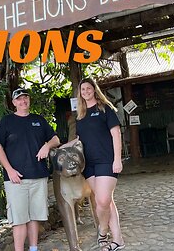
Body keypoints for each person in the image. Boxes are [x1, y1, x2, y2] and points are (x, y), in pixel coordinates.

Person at [0, 87, 60, 251]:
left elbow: (56, 139)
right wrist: (9, 170)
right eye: (19, 99)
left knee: (34, 218)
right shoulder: (7, 121)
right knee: (19, 219)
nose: (23, 101)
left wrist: (47, 146)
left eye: (26, 98)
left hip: (38, 176)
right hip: (16, 179)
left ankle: (33, 248)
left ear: (28, 100)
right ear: (14, 102)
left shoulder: (39, 120)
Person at [75, 78, 124, 251]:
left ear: (94, 90)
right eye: (83, 89)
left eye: (89, 88)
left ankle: (102, 230)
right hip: (89, 164)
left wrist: (117, 159)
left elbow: (116, 134)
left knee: (102, 200)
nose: (86, 91)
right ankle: (118, 239)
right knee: (106, 201)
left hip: (106, 160)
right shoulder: (80, 115)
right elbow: (80, 140)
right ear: (80, 93)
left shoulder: (105, 109)